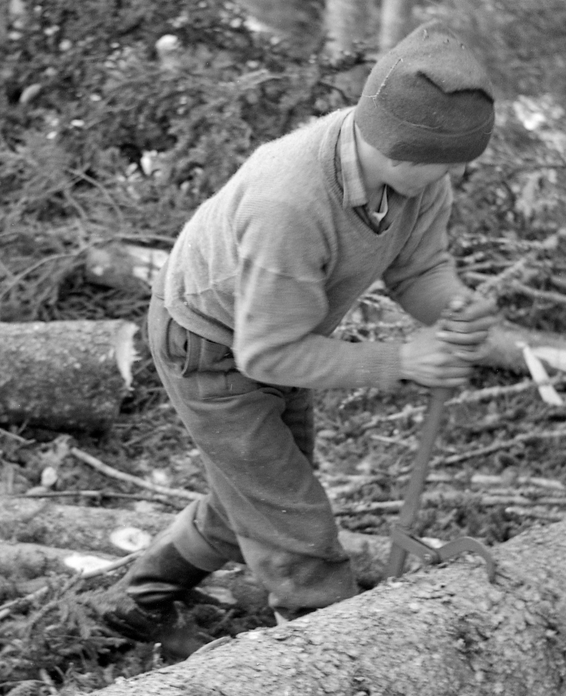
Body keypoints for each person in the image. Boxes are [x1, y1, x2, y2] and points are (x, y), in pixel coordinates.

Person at [96, 21, 500, 658]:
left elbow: (418, 268)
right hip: (210, 347)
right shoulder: (292, 199)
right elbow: (268, 354)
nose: (452, 177)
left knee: (257, 500)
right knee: (295, 526)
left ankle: (132, 604)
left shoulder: (421, 168)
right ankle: (336, 665)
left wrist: (453, 308)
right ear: (400, 150)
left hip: (278, 332)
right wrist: (402, 360)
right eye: (445, 166)